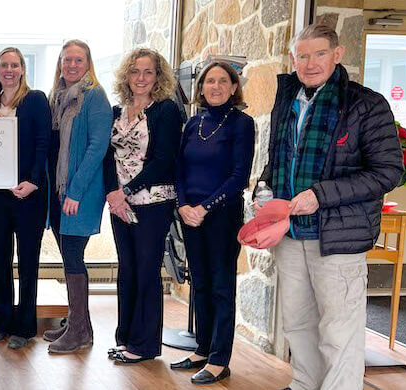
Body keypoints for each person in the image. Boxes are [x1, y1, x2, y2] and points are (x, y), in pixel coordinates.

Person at [256, 22, 402, 390]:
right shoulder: (287, 100)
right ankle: (304, 384)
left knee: (339, 332)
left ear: (337, 55)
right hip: (290, 234)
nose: (310, 63)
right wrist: (264, 186)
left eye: (320, 53)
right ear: (293, 59)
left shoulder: (367, 104)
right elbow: (279, 157)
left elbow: (388, 172)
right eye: (302, 55)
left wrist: (321, 195)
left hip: (338, 237)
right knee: (298, 324)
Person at [171, 62, 255, 384]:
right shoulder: (193, 123)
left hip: (221, 216)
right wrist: (183, 206)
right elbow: (179, 169)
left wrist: (204, 207)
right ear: (201, 87)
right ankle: (203, 348)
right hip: (191, 215)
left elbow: (239, 177)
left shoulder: (241, 124)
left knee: (221, 287)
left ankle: (220, 359)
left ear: (234, 87)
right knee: (201, 284)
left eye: (223, 81)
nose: (215, 86)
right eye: (209, 81)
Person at [103, 48, 183, 364]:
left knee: (147, 269)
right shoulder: (117, 111)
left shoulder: (166, 111)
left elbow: (165, 160)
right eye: (135, 71)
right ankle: (126, 338)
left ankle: (145, 345)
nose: (140, 78)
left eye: (148, 72)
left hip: (153, 201)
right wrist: (113, 193)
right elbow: (108, 156)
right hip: (119, 202)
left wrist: (128, 191)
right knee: (128, 268)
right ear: (127, 75)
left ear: (158, 77)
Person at [42, 39, 112, 353]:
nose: (71, 65)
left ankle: (79, 330)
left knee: (72, 255)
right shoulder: (55, 99)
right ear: (60, 63)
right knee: (68, 254)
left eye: (78, 60)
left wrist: (75, 192)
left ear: (88, 63)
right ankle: (79, 325)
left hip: (78, 193)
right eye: (66, 60)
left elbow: (98, 147)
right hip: (58, 192)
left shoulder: (94, 96)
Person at [0, 47, 50, 349]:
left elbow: (42, 143)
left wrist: (33, 181)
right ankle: (0, 321)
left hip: (29, 193)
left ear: (22, 69)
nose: (8, 70)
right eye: (3, 65)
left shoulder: (34, 100)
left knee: (28, 260)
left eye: (14, 65)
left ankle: (25, 326)